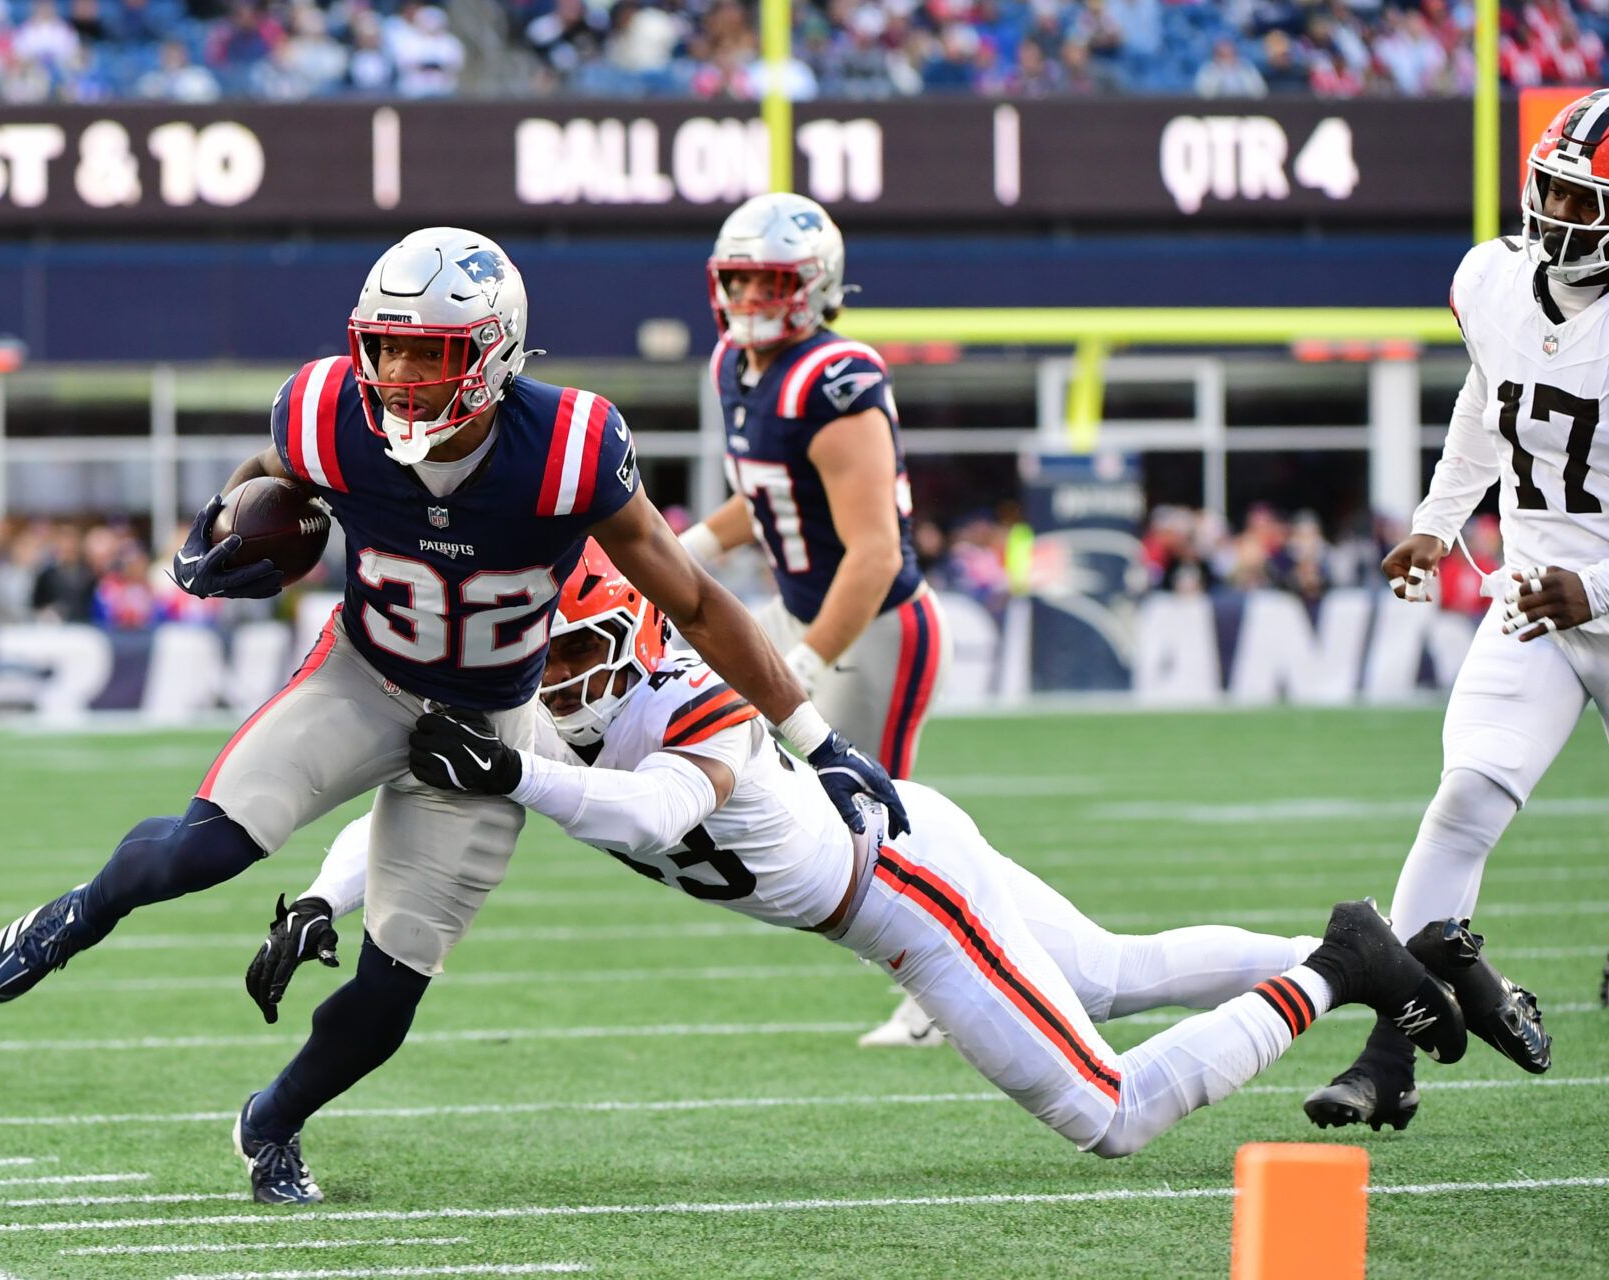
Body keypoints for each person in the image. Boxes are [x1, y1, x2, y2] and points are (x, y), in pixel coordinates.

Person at [0, 228, 907, 1204]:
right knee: (200, 849)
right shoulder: (331, 405)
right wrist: (221, 524)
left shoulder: (571, 445)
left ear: (496, 352)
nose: (405, 374)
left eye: (435, 351)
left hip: (486, 725)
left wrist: (820, 741)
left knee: (390, 992)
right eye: (389, 346)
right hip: (361, 676)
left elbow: (700, 602)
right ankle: (75, 913)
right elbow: (276, 461)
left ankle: (272, 1119)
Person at [249, 546, 1488, 1192]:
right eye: (539, 648)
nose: (550, 670)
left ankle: (1335, 963)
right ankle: (1387, 958)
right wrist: (319, 889)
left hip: (906, 900)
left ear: (631, 628)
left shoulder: (699, 704)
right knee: (1111, 972)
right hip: (906, 841)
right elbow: (427, 812)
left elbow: (640, 811)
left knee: (1109, 1112)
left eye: (573, 644)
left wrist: (513, 774)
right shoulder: (546, 715)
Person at [1298, 92, 1609, 1132]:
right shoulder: (1494, 278)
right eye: (1556, 185)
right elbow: (1488, 397)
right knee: (1463, 800)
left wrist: (1602, 587)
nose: (1561, 209)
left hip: (1597, 590)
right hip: (1533, 600)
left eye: (1585, 195)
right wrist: (1440, 520)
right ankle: (1393, 1052)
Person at [680, 193, 948, 1049]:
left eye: (771, 282)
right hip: (798, 609)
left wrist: (803, 661)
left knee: (882, 820)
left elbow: (872, 552)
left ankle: (948, 989)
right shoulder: (736, 363)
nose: (753, 300)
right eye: (740, 282)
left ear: (815, 284)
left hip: (872, 627)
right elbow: (767, 496)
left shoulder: (836, 382)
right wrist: (683, 550)